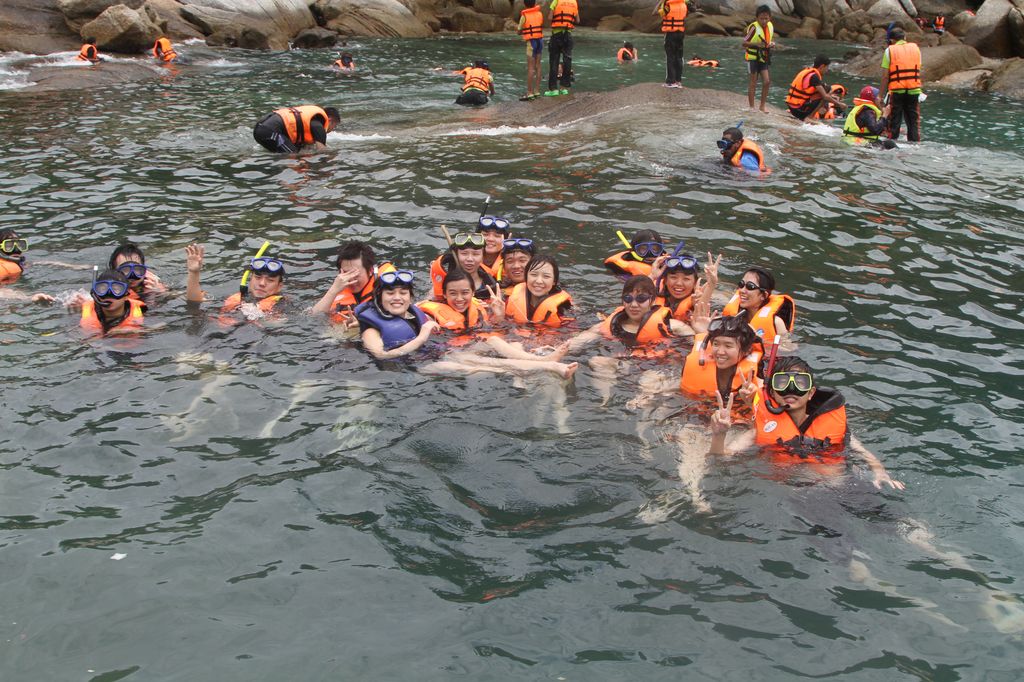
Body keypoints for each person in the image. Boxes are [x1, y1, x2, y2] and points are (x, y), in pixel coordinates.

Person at [708, 356, 905, 490]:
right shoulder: (757, 432)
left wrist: (880, 473)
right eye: (782, 383)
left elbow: (862, 452)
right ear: (772, 393)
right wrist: (719, 434)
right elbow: (721, 457)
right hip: (800, 493)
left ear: (811, 393)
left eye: (800, 383)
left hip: (844, 483)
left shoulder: (832, 422)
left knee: (892, 518)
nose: (791, 390)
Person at [185, 244, 285, 319]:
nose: (262, 283)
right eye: (257, 277)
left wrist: (259, 315)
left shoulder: (282, 305)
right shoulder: (238, 297)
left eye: (270, 280)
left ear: (279, 286)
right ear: (250, 279)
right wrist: (194, 273)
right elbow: (194, 302)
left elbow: (278, 324)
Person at [356, 270, 436, 359]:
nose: (397, 298)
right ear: (380, 298)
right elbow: (381, 355)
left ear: (410, 298)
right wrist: (421, 338)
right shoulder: (371, 331)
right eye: (390, 293)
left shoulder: (416, 313)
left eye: (403, 293)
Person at [311, 241, 393, 325]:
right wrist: (333, 291)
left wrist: (362, 324)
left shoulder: (390, 287)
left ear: (370, 271)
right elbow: (313, 318)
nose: (351, 279)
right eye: (346, 274)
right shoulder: (337, 289)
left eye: (355, 274)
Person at [721, 266, 795, 345]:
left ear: (764, 295)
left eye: (750, 286)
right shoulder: (735, 314)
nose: (742, 290)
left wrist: (757, 340)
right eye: (741, 284)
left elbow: (790, 348)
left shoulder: (777, 322)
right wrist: (712, 283)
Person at [419, 268, 505, 332]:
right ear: (444, 294)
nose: (459, 299)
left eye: (465, 293)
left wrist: (499, 316)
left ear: (473, 293)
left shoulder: (480, 308)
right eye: (453, 293)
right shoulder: (431, 316)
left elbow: (492, 328)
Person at [504, 254, 573, 328]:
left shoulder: (562, 309)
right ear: (526, 277)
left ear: (554, 281)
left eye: (546, 276)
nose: (539, 281)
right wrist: (499, 317)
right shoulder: (511, 299)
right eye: (534, 275)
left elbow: (576, 331)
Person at [649, 251, 719, 323]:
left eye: (686, 279)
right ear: (665, 280)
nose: (679, 283)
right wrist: (652, 276)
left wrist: (711, 285)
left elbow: (700, 317)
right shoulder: (653, 295)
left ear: (695, 283)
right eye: (673, 277)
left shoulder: (697, 300)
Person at [880, 27, 922, 142]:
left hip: (897, 90)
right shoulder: (916, 49)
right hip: (914, 90)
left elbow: (885, 76)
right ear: (905, 38)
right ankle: (914, 144)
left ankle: (891, 143)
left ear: (891, 40)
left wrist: (880, 95)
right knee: (913, 121)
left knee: (894, 121)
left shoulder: (889, 50)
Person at [429, 233, 499, 301]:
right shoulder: (444, 282)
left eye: (476, 254)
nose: (470, 259)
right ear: (457, 255)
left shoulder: (492, 287)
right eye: (464, 253)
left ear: (483, 256)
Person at [252, 105, 341, 154]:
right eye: (334, 126)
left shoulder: (313, 119)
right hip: (270, 131)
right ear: (330, 120)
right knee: (293, 155)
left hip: (261, 128)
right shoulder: (318, 126)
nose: (332, 130)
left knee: (291, 150)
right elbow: (322, 151)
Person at [80, 268, 144, 333]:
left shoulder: (143, 312)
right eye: (103, 289)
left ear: (126, 295)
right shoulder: (82, 310)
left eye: (116, 290)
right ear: (96, 293)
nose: (109, 294)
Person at [786, 55, 846, 122]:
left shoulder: (806, 72)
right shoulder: (814, 77)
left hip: (792, 107)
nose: (827, 70)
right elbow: (825, 96)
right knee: (827, 90)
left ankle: (808, 116)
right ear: (822, 66)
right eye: (827, 67)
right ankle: (810, 117)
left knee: (826, 88)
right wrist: (839, 104)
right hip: (799, 109)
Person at [0, 230, 53, 303]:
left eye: (20, 245)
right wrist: (29, 298)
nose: (16, 249)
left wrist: (68, 265)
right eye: (9, 246)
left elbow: (37, 263)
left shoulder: (19, 264)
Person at [107, 242, 167, 307]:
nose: (132, 275)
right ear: (114, 271)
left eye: (137, 269)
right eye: (125, 270)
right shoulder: (107, 289)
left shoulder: (153, 283)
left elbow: (174, 296)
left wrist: (158, 292)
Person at [743, 5, 775, 112]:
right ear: (757, 18)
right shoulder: (753, 28)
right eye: (761, 18)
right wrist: (757, 44)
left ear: (770, 18)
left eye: (766, 18)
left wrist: (770, 44)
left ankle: (762, 106)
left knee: (767, 81)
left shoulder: (770, 26)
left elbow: (767, 40)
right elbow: (744, 43)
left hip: (763, 57)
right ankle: (752, 107)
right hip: (752, 58)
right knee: (753, 82)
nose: (764, 21)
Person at [545, 0, 579, 96]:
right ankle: (564, 88)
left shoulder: (556, 1)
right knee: (567, 60)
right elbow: (577, 20)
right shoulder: (574, 2)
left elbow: (550, 17)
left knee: (554, 61)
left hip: (557, 34)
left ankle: (553, 89)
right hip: (568, 34)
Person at [655, 0, 687, 88]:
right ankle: (678, 81)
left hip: (671, 34)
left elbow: (656, 13)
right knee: (679, 57)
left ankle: (670, 81)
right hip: (681, 33)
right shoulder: (683, 4)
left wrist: (661, 2)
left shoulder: (668, 6)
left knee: (670, 56)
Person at [518, 0, 544, 100]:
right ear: (534, 3)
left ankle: (529, 93)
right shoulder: (539, 13)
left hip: (531, 43)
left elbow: (519, 31)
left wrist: (523, 31)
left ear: (525, 4)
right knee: (538, 66)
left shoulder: (524, 16)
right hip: (540, 41)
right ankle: (537, 91)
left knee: (530, 67)